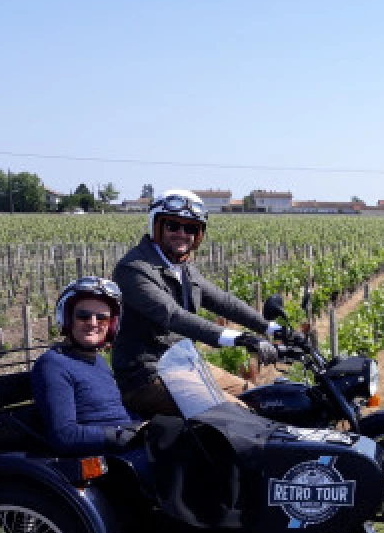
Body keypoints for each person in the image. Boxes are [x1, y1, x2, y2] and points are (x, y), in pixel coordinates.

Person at [111, 189, 295, 417]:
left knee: (263, 399)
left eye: (190, 228)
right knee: (238, 415)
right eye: (173, 226)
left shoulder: (183, 268)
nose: (182, 233)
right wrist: (240, 338)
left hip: (185, 367)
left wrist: (273, 329)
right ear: (157, 227)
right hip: (147, 375)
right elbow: (172, 316)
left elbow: (223, 301)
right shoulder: (134, 269)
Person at [32, 277, 145, 455]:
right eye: (83, 316)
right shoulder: (53, 365)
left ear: (112, 326)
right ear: (68, 319)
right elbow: (65, 435)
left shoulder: (98, 361)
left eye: (102, 318)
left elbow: (112, 411)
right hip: (110, 458)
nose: (93, 323)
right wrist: (122, 435)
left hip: (132, 445)